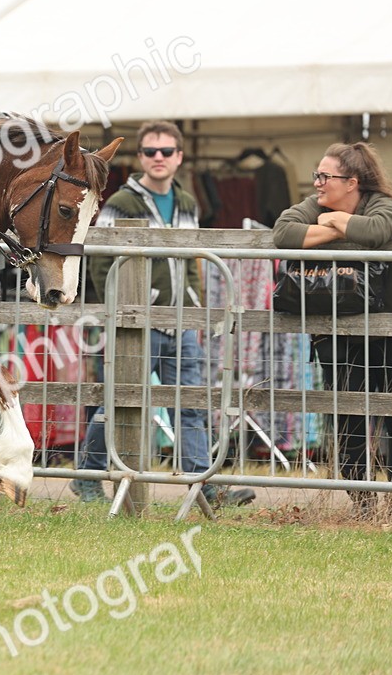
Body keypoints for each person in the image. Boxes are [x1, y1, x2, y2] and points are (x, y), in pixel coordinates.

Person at [72, 120, 256, 508]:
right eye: (151, 151)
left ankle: (203, 485)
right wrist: (125, 310)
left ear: (179, 157)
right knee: (118, 402)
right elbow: (102, 264)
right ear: (140, 157)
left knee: (190, 404)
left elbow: (193, 263)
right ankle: (87, 476)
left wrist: (196, 310)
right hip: (137, 323)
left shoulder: (187, 202)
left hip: (182, 323)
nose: (159, 157)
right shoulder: (122, 202)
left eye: (167, 151)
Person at [272, 142, 392, 518]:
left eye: (325, 176)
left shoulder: (383, 203)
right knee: (348, 419)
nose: (317, 182)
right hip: (337, 335)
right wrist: (335, 228)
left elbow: (378, 230)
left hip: (388, 334)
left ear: (352, 182)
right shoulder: (316, 205)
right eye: (317, 175)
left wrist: (330, 223)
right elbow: (283, 232)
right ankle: (363, 503)